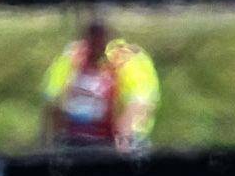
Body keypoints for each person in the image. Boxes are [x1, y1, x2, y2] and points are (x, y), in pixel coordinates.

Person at [40, 12, 159, 150]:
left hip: (119, 140)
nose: (95, 44)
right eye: (91, 38)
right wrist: (49, 143)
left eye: (100, 38)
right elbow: (52, 101)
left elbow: (138, 102)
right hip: (75, 139)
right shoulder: (72, 57)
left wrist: (124, 139)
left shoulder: (127, 59)